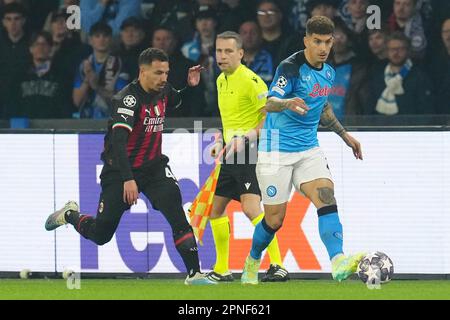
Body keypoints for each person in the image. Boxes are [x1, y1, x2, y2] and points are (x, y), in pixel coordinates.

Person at [45, 48, 216, 285]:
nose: (164, 78)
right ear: (142, 71)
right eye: (158, 73)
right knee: (101, 234)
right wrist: (127, 179)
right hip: (120, 171)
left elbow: (175, 99)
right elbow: (118, 143)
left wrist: (189, 86)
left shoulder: (164, 89)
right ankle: (70, 214)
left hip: (155, 167)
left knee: (176, 213)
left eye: (166, 73)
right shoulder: (127, 100)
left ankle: (195, 274)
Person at [240, 16, 365, 285]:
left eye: (328, 42)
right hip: (276, 152)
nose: (323, 47)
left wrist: (345, 136)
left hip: (308, 149)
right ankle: (252, 260)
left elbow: (324, 107)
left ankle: (338, 261)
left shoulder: (328, 72)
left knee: (326, 196)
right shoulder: (291, 67)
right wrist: (287, 104)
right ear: (306, 40)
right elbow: (270, 103)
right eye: (317, 41)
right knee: (274, 220)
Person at [206, 31, 289, 283]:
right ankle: (222, 269)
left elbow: (270, 120)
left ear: (241, 54)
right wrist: (220, 140)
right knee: (215, 210)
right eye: (219, 51)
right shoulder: (221, 80)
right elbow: (229, 120)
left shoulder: (253, 82)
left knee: (251, 208)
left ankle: (278, 265)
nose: (222, 56)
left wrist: (245, 139)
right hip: (231, 152)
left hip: (250, 151)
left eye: (228, 51)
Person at [72, 22, 129, 119]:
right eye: (97, 36)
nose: (101, 39)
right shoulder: (84, 66)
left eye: (105, 36)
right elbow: (77, 102)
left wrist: (97, 87)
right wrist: (87, 80)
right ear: (90, 40)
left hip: (111, 121)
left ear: (111, 39)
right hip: (86, 121)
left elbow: (122, 103)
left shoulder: (120, 64)